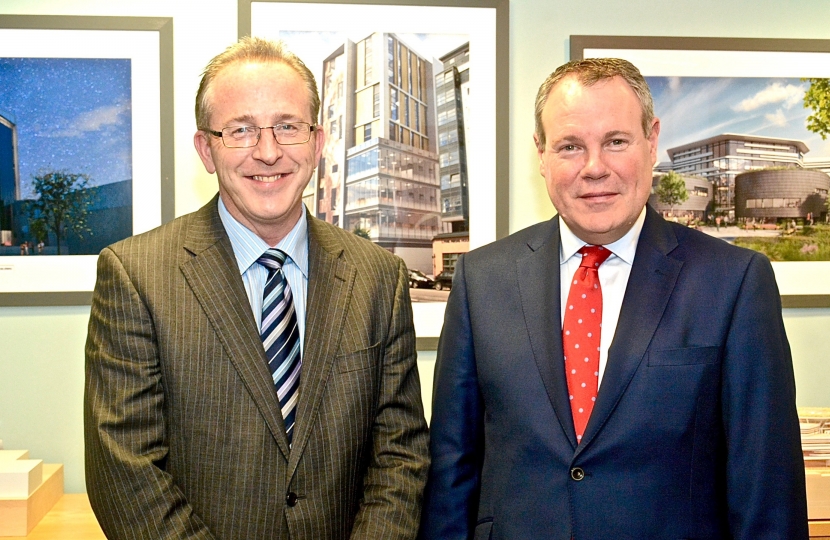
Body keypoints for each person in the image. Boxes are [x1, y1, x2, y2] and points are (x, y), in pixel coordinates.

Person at [420, 58, 808, 539]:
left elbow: (766, 488)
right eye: (569, 146)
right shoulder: (482, 280)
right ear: (540, 154)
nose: (594, 168)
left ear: (651, 140)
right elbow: (451, 473)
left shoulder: (734, 282)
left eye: (616, 141)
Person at [85, 37, 429, 539]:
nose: (268, 153)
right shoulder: (135, 275)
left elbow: (400, 453)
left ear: (317, 141)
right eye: (241, 130)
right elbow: (125, 470)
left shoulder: (379, 276)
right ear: (206, 148)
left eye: (287, 127)